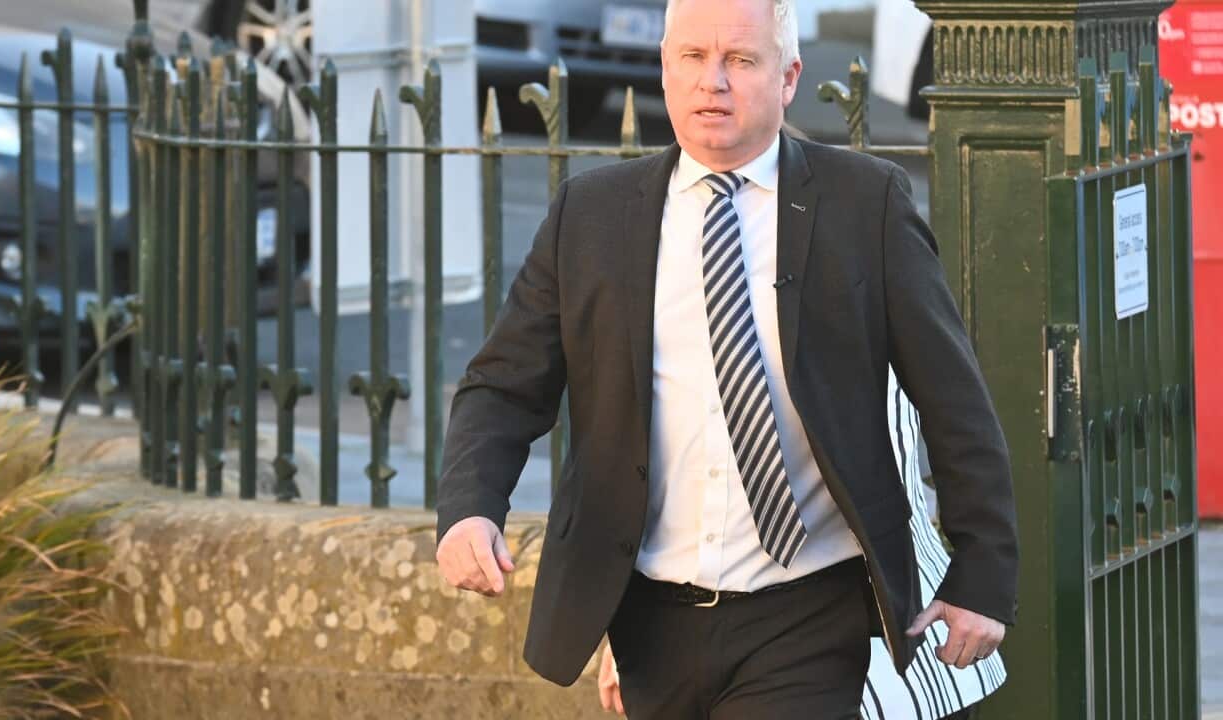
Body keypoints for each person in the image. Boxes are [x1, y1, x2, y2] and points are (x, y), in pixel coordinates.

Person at [435, 0, 1018, 717]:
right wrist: (470, 508)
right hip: (649, 618)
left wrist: (981, 571)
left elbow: (953, 397)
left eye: (741, 60)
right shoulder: (589, 215)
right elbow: (502, 386)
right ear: (665, 68)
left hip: (806, 612)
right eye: (693, 58)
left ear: (790, 77)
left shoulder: (864, 203)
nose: (714, 82)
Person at [596, 369, 1009, 719]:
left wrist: (982, 582)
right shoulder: (681, 295)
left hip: (891, 642)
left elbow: (960, 420)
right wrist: (641, 609)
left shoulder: (862, 284)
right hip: (706, 641)